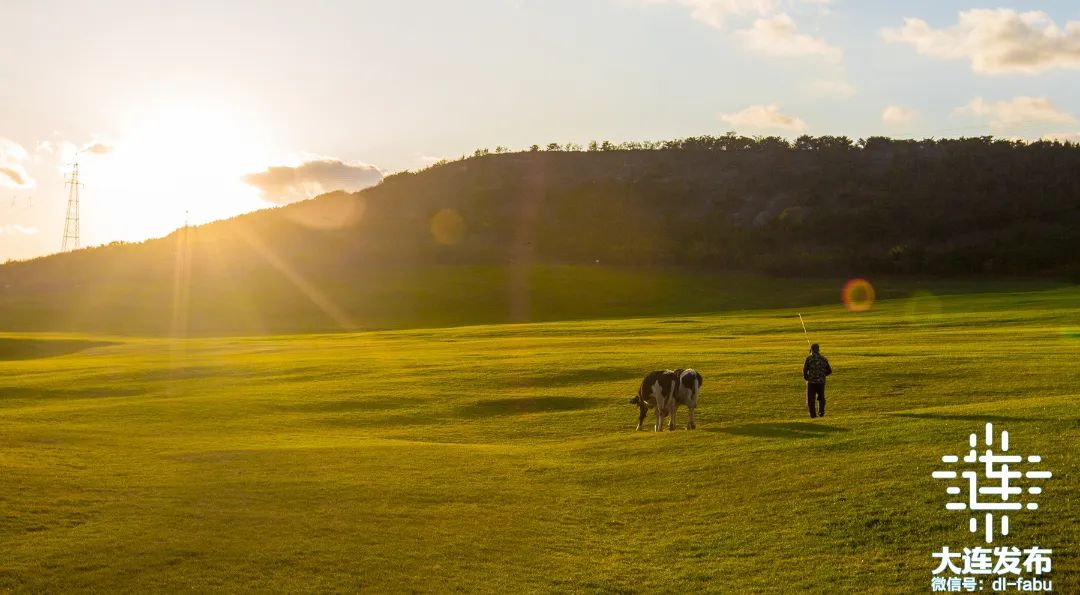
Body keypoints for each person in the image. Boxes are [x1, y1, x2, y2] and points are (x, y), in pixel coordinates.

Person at [803, 343, 832, 418]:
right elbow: (829, 371)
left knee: (811, 399)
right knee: (821, 397)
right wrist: (822, 375)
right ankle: (821, 411)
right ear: (818, 350)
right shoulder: (823, 359)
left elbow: (805, 370)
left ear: (811, 349)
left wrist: (807, 378)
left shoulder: (809, 358)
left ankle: (813, 415)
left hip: (811, 382)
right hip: (821, 382)